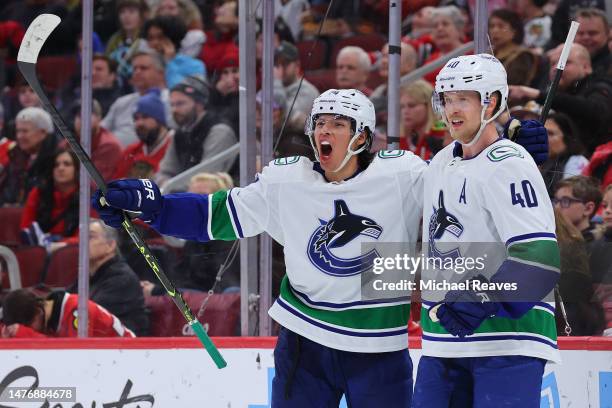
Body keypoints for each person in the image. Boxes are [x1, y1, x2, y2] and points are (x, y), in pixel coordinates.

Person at [92, 86, 549, 407]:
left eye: (337, 124)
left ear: (363, 136)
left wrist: (509, 147)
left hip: (378, 345)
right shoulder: (286, 181)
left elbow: (466, 179)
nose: (323, 131)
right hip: (304, 339)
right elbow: (216, 215)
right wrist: (150, 206)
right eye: (319, 123)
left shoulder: (406, 176)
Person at [413, 54, 561, 407]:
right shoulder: (441, 162)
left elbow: (539, 260)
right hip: (441, 339)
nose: (452, 110)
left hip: (507, 341)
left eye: (463, 98)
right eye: (447, 99)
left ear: (491, 101)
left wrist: (483, 297)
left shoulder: (509, 164)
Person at [156, 75, 236, 189]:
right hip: (185, 198)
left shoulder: (219, 131)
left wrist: (170, 188)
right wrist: (165, 185)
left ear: (199, 104)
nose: (174, 110)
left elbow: (207, 178)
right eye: (172, 105)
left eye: (180, 104)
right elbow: (165, 171)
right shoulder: (180, 133)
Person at [72, 219, 149, 336]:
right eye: (81, 237)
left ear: (110, 245)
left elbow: (86, 314)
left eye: (90, 237)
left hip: (126, 349)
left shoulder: (122, 279)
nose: (82, 242)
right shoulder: (89, 276)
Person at [1, 288, 135, 338]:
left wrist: (25, 334)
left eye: (28, 326)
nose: (29, 330)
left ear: (38, 312)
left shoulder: (77, 310)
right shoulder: (48, 319)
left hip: (127, 356)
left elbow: (74, 355)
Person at [20, 148, 80, 251]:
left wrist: (57, 243)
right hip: (39, 250)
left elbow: (85, 238)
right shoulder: (38, 193)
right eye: (56, 165)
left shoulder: (87, 197)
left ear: (77, 169)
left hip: (71, 252)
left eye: (67, 164)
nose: (61, 168)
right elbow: (25, 229)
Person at [0, 107, 56, 206]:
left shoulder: (56, 161)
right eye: (18, 131)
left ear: (43, 133)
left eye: (25, 131)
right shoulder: (15, 158)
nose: (19, 136)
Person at [113, 90, 173, 179]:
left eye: (145, 117)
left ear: (159, 120)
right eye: (136, 118)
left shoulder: (174, 147)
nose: (139, 123)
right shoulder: (131, 151)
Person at [142, 15, 205, 88]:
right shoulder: (143, 65)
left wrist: (169, 62)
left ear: (173, 38)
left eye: (161, 37)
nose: (154, 43)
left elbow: (181, 92)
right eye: (150, 38)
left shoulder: (194, 66)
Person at [540, 112, 589, 194]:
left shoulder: (577, 161)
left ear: (567, 138)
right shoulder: (538, 161)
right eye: (542, 133)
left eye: (550, 133)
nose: (543, 138)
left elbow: (570, 197)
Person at [489, 9, 538, 86]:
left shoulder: (522, 56)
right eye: (492, 26)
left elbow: (513, 84)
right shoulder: (487, 54)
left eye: (501, 26)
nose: (495, 30)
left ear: (514, 31)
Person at [553, 175, 603, 242]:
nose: (557, 207)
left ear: (588, 209)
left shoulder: (599, 245)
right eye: (556, 201)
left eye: (565, 201)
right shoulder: (552, 237)